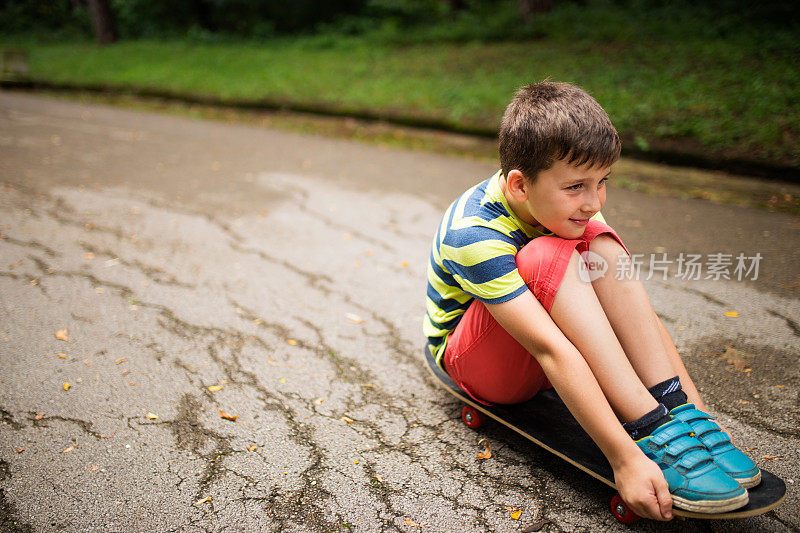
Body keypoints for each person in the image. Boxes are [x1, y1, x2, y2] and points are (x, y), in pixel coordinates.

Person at [423, 81, 760, 521]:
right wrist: (626, 459)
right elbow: (551, 349)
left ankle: (673, 410)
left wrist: (695, 413)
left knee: (598, 242)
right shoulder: (472, 234)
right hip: (480, 362)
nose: (593, 200)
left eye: (603, 182)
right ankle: (649, 426)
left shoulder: (569, 203)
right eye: (578, 186)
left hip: (543, 339)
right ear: (520, 186)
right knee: (546, 254)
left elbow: (637, 315)